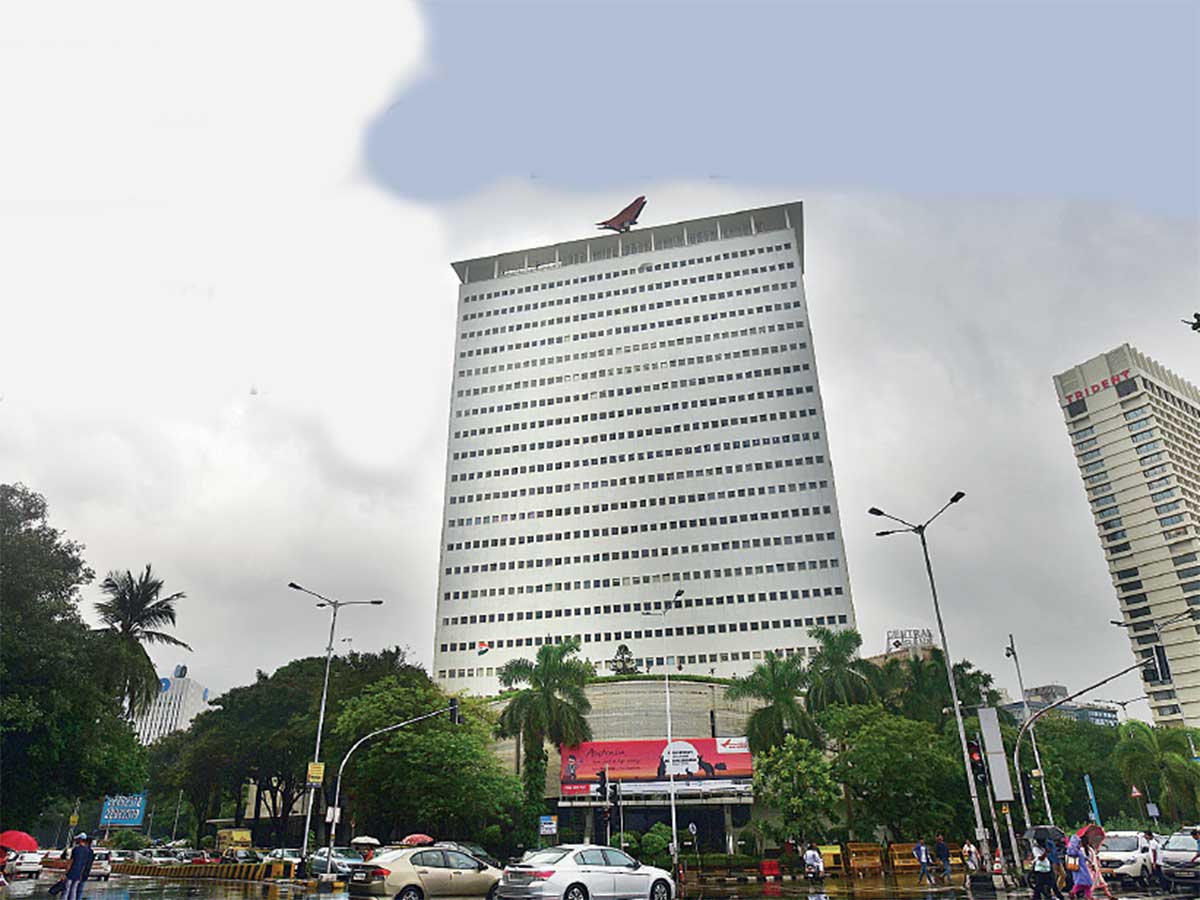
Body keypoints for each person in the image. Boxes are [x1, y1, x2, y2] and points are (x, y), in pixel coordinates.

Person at [64, 833, 95, 900]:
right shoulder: (88, 851)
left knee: (67, 889)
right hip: (80, 873)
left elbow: (71, 861)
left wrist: (66, 872)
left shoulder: (76, 849)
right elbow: (86, 864)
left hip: (73, 872)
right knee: (75, 889)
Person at [1067, 834, 1094, 899]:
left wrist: (1088, 860)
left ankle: (1089, 896)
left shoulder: (1078, 850)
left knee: (1086, 884)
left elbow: (1082, 856)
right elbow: (1073, 854)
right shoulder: (1072, 850)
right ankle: (1073, 892)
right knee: (1082, 882)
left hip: (1083, 868)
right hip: (1079, 869)